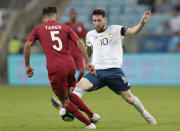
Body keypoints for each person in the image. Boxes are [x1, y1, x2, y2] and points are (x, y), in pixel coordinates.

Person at [52, 8, 157, 125]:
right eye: (94, 21)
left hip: (114, 71)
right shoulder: (90, 35)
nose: (96, 23)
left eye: (99, 20)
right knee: (78, 87)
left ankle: (144, 113)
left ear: (105, 20)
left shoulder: (116, 29)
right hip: (97, 72)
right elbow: (89, 51)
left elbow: (134, 31)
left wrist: (142, 22)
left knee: (130, 99)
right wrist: (86, 61)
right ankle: (66, 108)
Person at [24, 7, 100, 129]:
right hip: (70, 65)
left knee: (64, 101)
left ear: (43, 18)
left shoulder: (38, 29)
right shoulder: (65, 27)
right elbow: (80, 43)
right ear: (57, 16)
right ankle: (92, 115)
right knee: (69, 94)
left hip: (56, 67)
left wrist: (27, 65)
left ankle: (89, 124)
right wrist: (86, 60)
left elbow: (27, 45)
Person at [64, 9, 87, 82]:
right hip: (68, 53)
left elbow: (84, 37)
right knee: (68, 72)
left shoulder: (80, 25)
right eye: (72, 14)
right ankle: (69, 86)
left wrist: (86, 46)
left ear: (76, 15)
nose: (73, 15)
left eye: (74, 14)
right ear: (69, 15)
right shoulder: (65, 25)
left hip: (78, 52)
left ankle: (76, 85)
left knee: (82, 71)